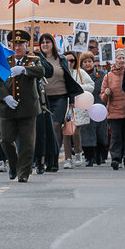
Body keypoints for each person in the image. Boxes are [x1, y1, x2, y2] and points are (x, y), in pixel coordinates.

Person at [0, 29, 51, 182]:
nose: (17, 48)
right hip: (8, 108)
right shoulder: (5, 61)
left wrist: (24, 70)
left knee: (27, 142)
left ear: (26, 45)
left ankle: (23, 172)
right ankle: (13, 165)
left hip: (28, 108)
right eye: (14, 44)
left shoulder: (33, 59)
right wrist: (6, 97)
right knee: (5, 139)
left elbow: (41, 71)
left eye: (20, 44)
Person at [35, 33, 81, 172]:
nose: (44, 44)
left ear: (52, 43)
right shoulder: (36, 59)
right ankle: (42, 160)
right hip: (43, 98)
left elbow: (69, 79)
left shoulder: (61, 59)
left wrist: (72, 100)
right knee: (42, 129)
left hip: (60, 97)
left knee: (55, 127)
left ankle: (53, 159)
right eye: (42, 42)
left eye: (47, 41)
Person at [100, 49, 125, 170]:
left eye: (123, 58)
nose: (121, 60)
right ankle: (116, 158)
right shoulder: (108, 77)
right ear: (115, 60)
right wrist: (106, 93)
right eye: (119, 58)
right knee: (116, 136)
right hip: (114, 111)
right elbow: (102, 97)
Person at [77, 52, 107, 166]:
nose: (88, 64)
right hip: (85, 107)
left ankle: (100, 156)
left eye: (90, 61)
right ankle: (89, 157)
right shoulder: (79, 75)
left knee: (101, 132)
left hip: (99, 106)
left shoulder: (101, 74)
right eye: (85, 62)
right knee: (86, 133)